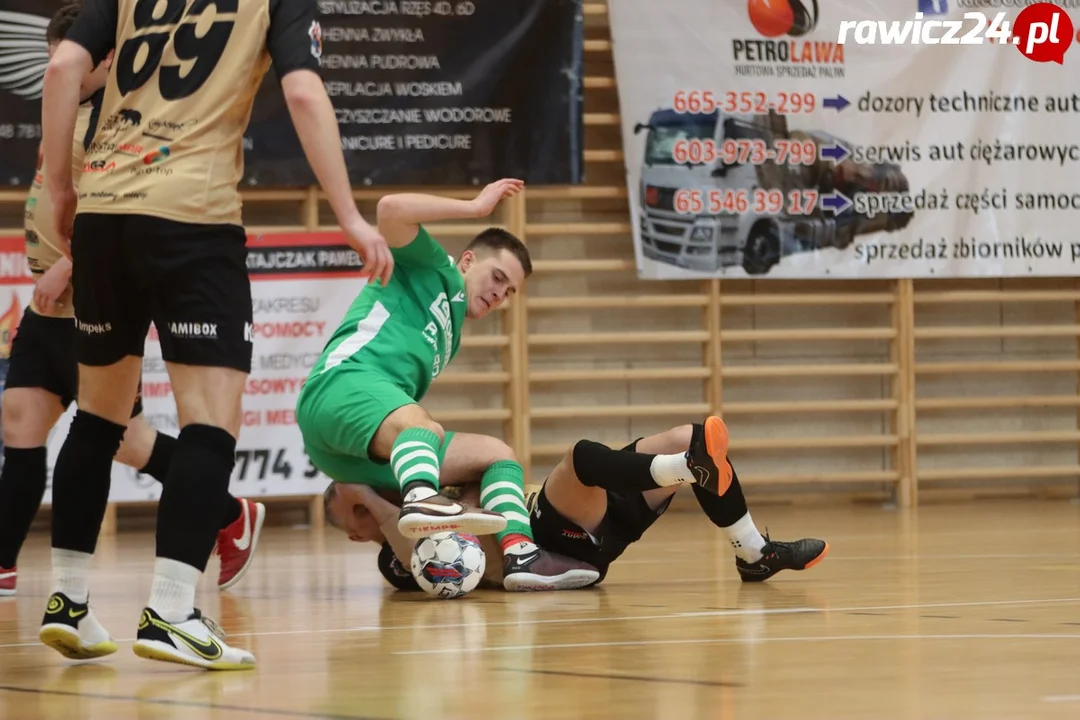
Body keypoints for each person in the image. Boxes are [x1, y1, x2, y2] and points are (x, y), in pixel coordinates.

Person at [39, 0, 389, 670]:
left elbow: (62, 67)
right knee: (209, 424)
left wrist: (61, 187)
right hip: (191, 219)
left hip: (105, 214)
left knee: (99, 417)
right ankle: (172, 612)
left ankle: (69, 602)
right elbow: (302, 90)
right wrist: (348, 214)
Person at [297, 183, 707, 591]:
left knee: (498, 455)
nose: (500, 293)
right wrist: (474, 206)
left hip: (352, 452)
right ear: (468, 260)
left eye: (509, 290)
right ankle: (424, 498)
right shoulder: (432, 267)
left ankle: (520, 553)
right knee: (423, 427)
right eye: (496, 277)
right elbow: (390, 208)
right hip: (337, 386)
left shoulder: (452, 333)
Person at [0, 3, 264, 601]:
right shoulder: (63, 113)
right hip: (49, 308)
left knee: (122, 438)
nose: (63, 69)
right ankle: (13, 568)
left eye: (73, 60)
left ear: (110, 57)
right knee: (21, 422)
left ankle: (225, 516)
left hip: (90, 284)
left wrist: (70, 262)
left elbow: (111, 203)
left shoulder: (123, 119)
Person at [324, 418, 828, 590]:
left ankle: (754, 554)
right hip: (550, 545)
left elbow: (492, 466)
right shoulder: (394, 560)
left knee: (689, 435)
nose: (371, 503)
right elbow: (474, 568)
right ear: (354, 532)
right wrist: (365, 493)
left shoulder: (429, 496)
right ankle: (684, 467)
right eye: (357, 511)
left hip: (583, 521)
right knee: (582, 457)